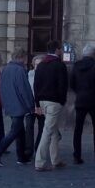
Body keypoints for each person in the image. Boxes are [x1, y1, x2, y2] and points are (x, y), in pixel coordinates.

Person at [0, 48, 35, 167]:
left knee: (20, 131)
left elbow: (1, 88)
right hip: (18, 105)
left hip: (9, 103)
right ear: (22, 57)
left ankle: (22, 157)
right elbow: (24, 90)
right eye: (25, 58)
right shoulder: (19, 70)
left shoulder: (5, 69)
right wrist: (31, 106)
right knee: (14, 131)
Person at [70, 44, 95, 164]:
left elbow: (72, 82)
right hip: (93, 100)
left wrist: (79, 92)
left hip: (80, 99)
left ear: (83, 54)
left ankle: (77, 155)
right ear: (93, 54)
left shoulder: (76, 65)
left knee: (78, 129)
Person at [33, 40, 68, 172]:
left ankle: (55, 159)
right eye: (61, 49)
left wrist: (37, 103)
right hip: (54, 102)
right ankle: (40, 162)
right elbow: (63, 85)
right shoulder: (59, 65)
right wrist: (62, 101)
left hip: (42, 100)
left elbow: (36, 85)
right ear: (57, 50)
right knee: (48, 131)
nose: (62, 51)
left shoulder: (41, 65)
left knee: (53, 130)